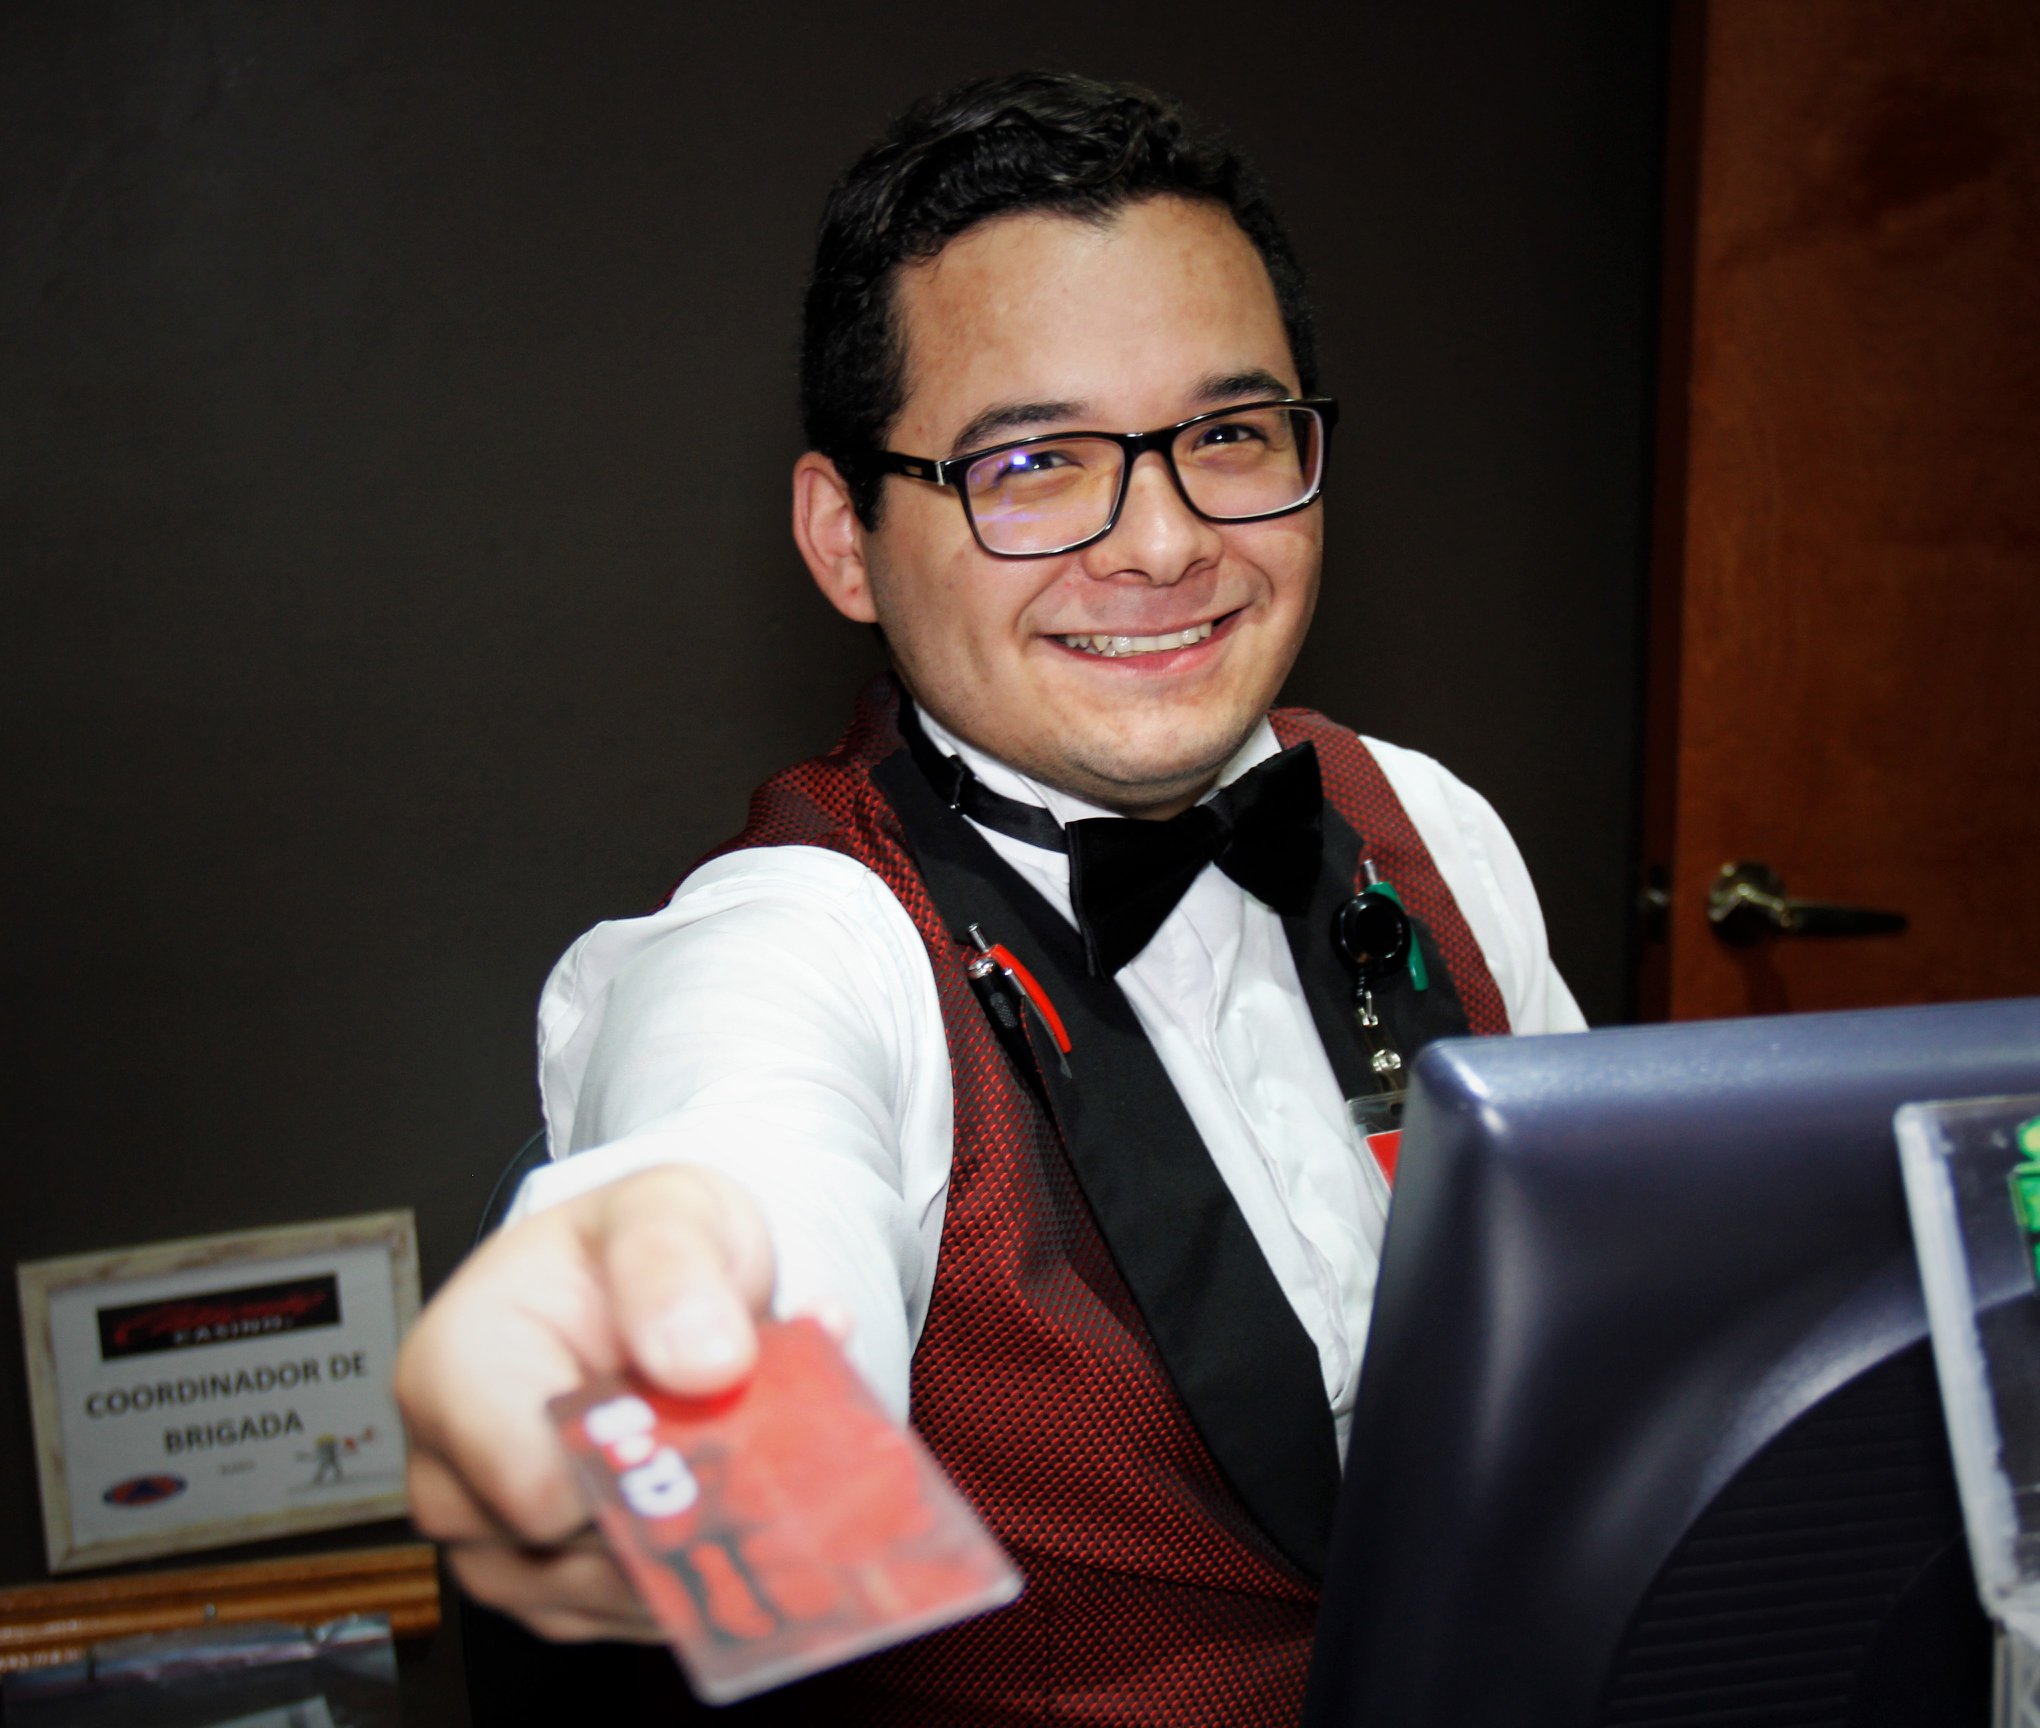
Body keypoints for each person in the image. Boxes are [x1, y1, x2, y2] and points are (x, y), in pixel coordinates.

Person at [395, 70, 1583, 1725]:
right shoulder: (799, 942)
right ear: (846, 540)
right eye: (1031, 462)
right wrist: (672, 1351)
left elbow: (1608, 1334)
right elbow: (739, 1183)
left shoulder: (1428, 820)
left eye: (1229, 436)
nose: (1162, 543)